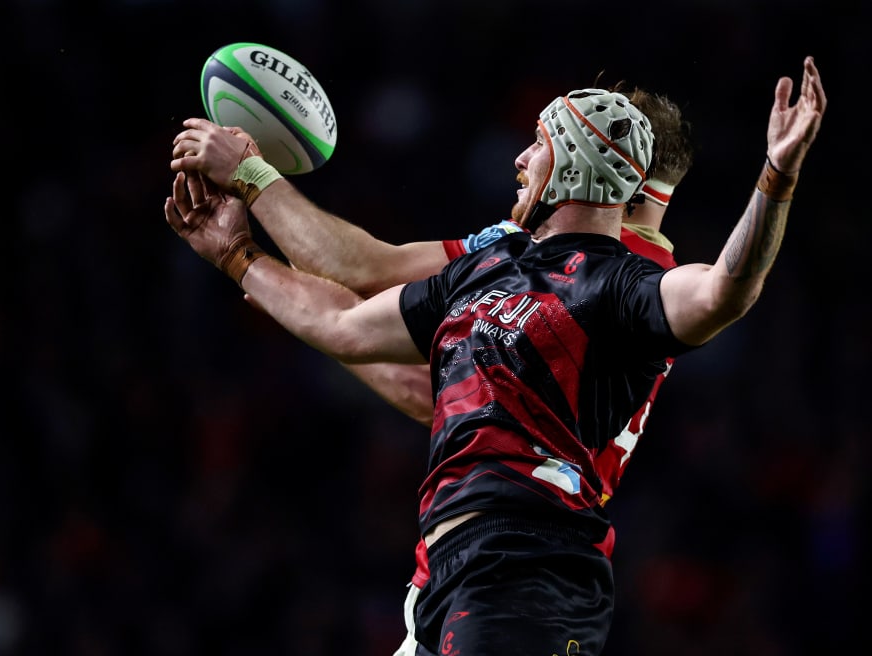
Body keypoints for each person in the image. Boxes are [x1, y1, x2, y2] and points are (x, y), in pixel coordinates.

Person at [165, 57, 825, 655]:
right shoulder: (508, 259)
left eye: (538, 144)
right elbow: (355, 323)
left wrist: (776, 176)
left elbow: (725, 290)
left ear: (585, 165)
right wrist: (236, 256)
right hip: (448, 564)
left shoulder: (624, 282)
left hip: (526, 562)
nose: (517, 160)